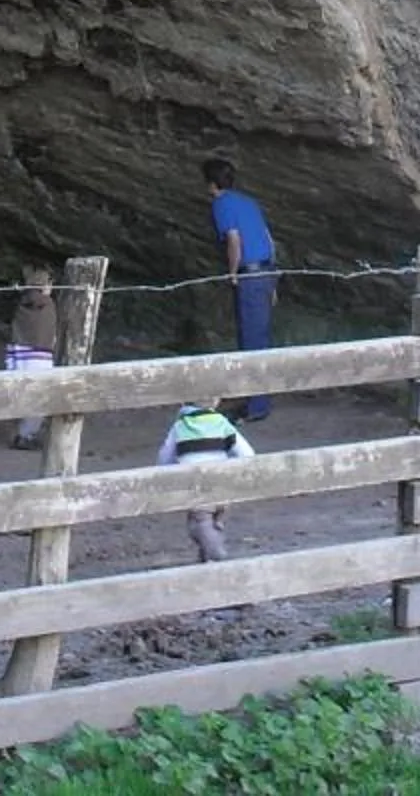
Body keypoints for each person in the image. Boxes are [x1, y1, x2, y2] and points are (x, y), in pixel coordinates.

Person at [203, 153, 276, 419]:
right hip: (267, 270)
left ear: (212, 184)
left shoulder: (221, 205)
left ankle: (257, 407)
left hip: (250, 275)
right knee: (262, 337)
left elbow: (234, 241)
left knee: (251, 339)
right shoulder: (249, 201)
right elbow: (268, 237)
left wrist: (232, 273)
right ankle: (259, 400)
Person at [155, 400, 253, 562]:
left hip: (196, 486)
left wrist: (163, 474)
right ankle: (207, 560)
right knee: (214, 522)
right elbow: (246, 453)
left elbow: (165, 456)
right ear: (215, 401)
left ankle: (217, 555)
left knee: (199, 524)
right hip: (222, 481)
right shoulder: (221, 422)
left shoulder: (180, 426)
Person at [5, 267, 58, 452]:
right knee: (41, 397)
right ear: (45, 286)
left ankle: (23, 432)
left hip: (20, 355)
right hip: (39, 358)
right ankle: (25, 435)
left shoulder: (22, 306)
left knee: (24, 395)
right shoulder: (47, 305)